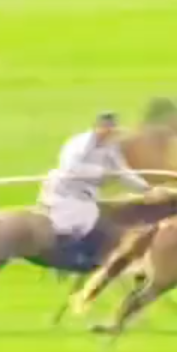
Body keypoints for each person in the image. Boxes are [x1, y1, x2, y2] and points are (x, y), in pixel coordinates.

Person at [40, 112, 150, 271]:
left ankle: (87, 255)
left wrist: (145, 187)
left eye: (111, 130)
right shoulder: (78, 144)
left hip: (86, 193)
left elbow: (122, 172)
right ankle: (70, 257)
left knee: (92, 220)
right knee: (73, 223)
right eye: (105, 129)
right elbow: (70, 168)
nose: (108, 133)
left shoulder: (110, 148)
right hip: (66, 191)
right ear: (97, 128)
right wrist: (100, 172)